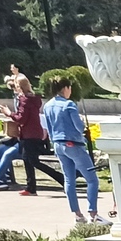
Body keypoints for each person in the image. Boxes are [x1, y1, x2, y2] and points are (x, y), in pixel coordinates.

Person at [44, 76, 103, 223]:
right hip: (73, 144)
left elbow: (50, 128)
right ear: (65, 88)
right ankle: (93, 213)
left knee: (69, 179)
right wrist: (83, 125)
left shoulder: (48, 106)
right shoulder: (69, 104)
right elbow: (79, 127)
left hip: (58, 144)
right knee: (92, 179)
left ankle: (77, 214)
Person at [0, 76, 50, 195]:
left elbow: (21, 119)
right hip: (29, 135)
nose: (14, 88)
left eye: (15, 85)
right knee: (25, 160)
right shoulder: (33, 99)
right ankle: (28, 187)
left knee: (30, 161)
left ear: (19, 87)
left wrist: (8, 113)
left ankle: (59, 178)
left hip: (28, 136)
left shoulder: (24, 100)